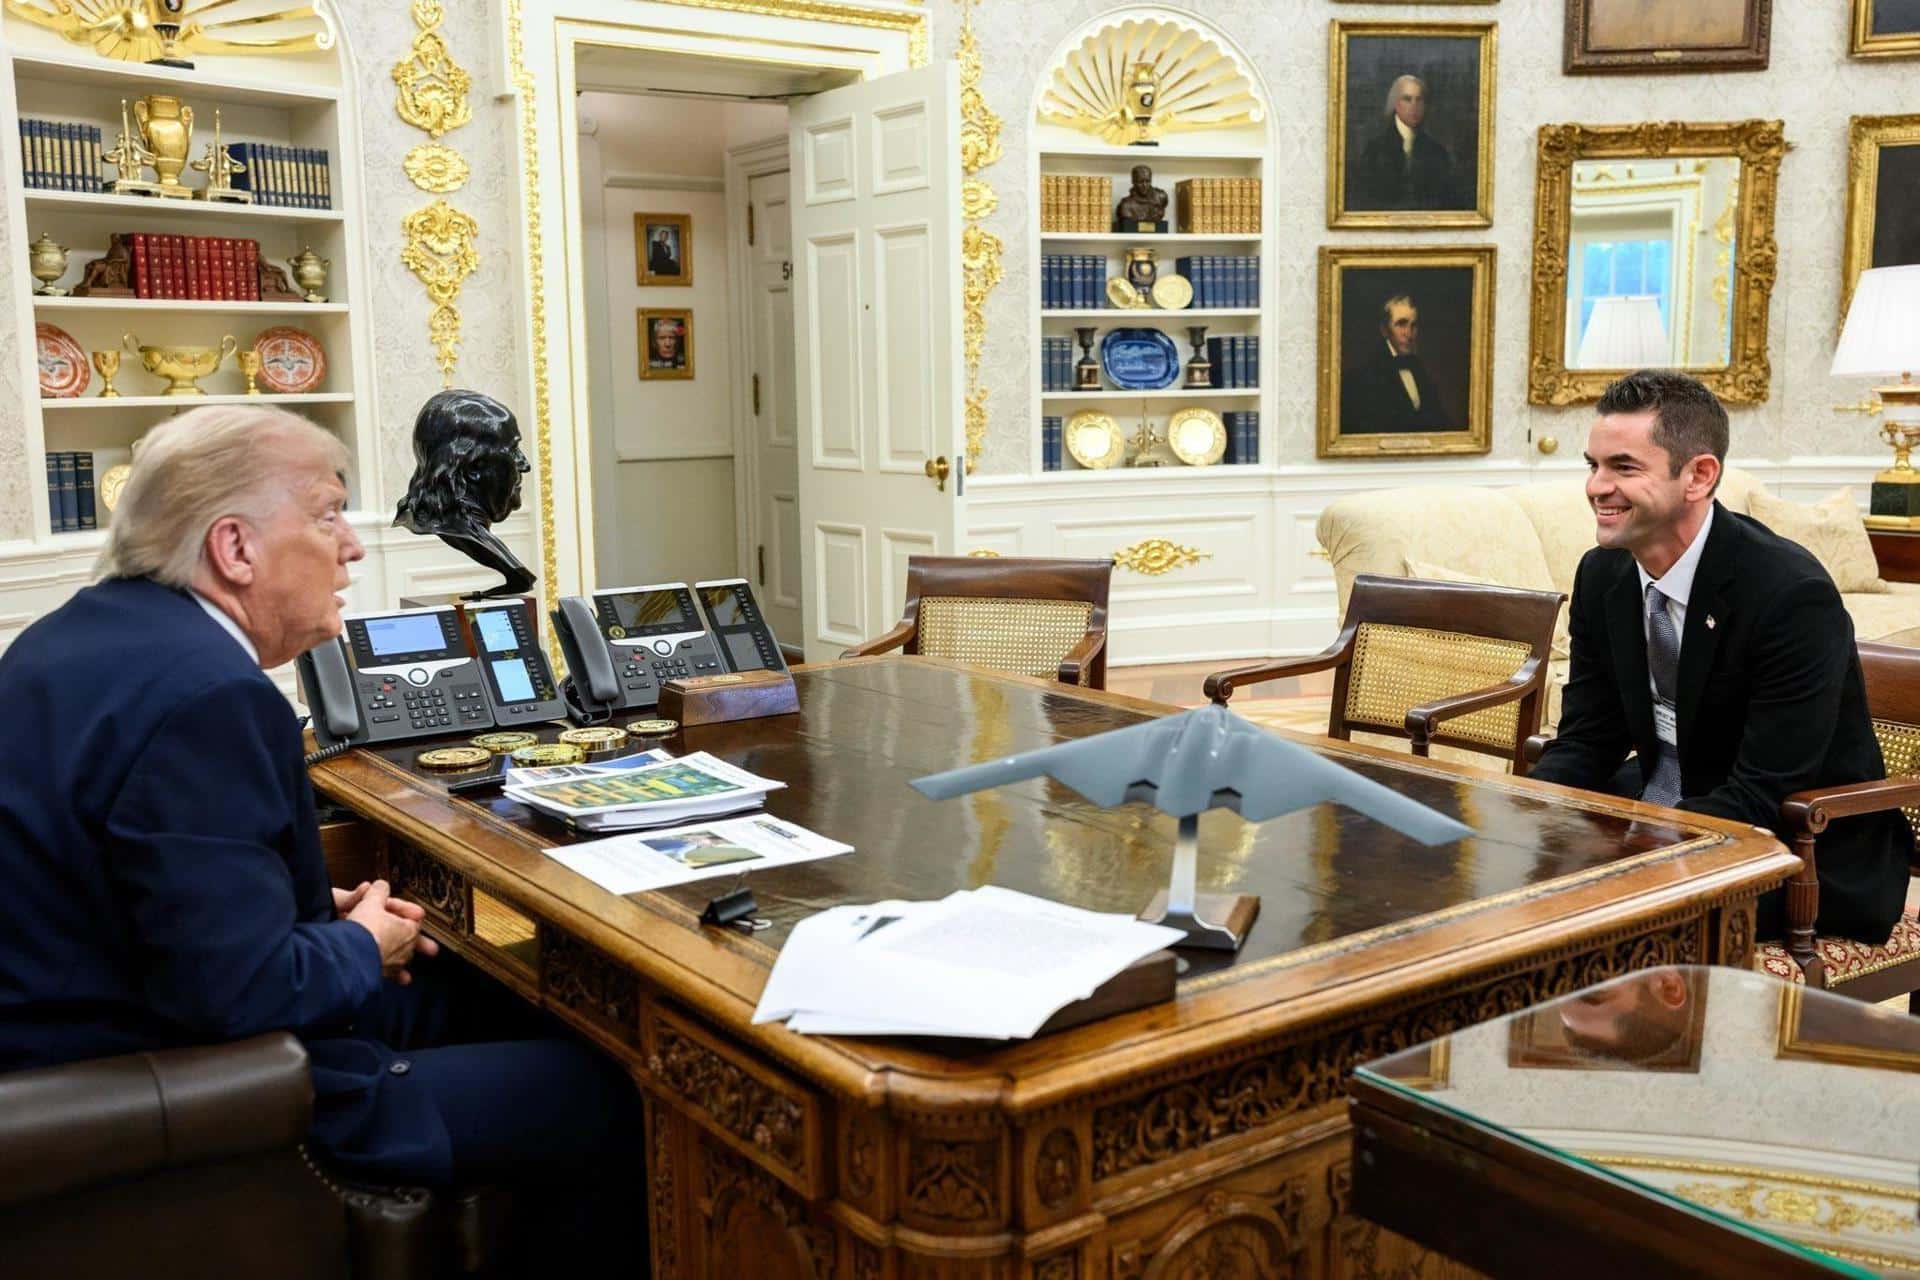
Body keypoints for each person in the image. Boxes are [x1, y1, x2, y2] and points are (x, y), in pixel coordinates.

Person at [0, 406, 643, 1251]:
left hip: (89, 1031)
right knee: (618, 1089)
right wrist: (361, 942)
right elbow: (237, 995)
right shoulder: (209, 697)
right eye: (328, 513)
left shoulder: (69, 636)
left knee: (493, 991)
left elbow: (145, 883)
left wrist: (304, 917)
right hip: (214, 1086)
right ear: (235, 549)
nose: (354, 546)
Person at [1529, 370, 1909, 943]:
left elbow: (1763, 792)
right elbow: (1588, 737)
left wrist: (1623, 853)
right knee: (1514, 890)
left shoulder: (1789, 594)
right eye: (1593, 465)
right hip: (1666, 813)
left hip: (1797, 850)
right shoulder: (1603, 573)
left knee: (1595, 921)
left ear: (1699, 476)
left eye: (1624, 467)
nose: (1596, 487)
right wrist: (1529, 810)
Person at [392, 388, 535, 598]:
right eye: (513, 449)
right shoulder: (452, 528)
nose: (524, 465)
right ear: (474, 468)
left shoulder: (473, 530)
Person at [1351, 73, 1464, 211]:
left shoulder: (1438, 153)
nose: (1414, 106)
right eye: (1407, 99)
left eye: (1419, 100)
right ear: (1395, 104)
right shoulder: (1374, 150)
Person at [1340, 293, 1451, 433]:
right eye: (1401, 324)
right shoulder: (1362, 378)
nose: (1409, 333)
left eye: (1413, 325)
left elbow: (1440, 422)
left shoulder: (1420, 370)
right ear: (1384, 330)